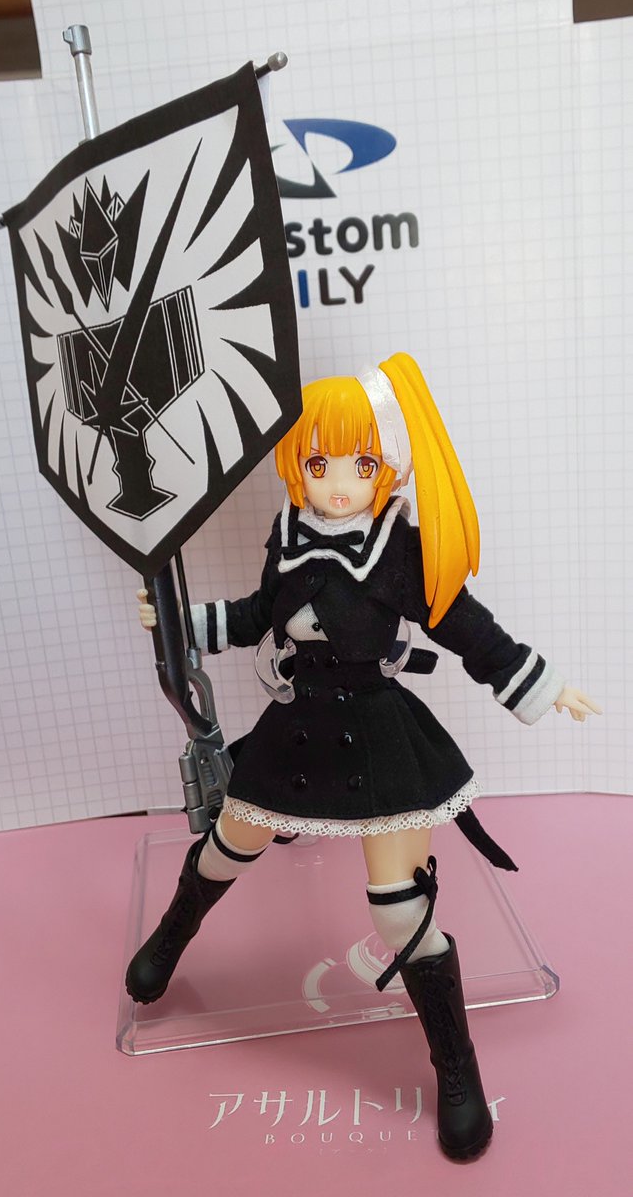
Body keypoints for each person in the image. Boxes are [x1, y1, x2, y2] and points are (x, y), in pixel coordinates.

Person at [126, 352, 600, 1160]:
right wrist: (181, 622)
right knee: (227, 843)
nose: (339, 483)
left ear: (387, 466)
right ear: (296, 467)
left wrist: (538, 681)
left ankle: (454, 1066)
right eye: (319, 464)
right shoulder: (287, 536)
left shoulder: (399, 549)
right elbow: (257, 613)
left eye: (360, 464)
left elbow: (462, 623)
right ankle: (171, 935)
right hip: (295, 727)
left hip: (379, 736)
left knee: (398, 908)